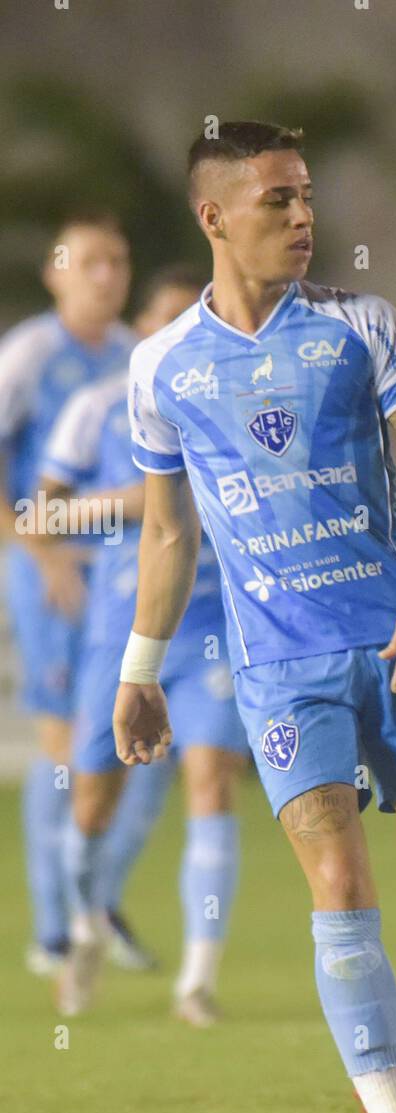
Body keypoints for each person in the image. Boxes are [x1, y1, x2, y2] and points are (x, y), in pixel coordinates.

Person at [113, 122, 396, 1113]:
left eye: (306, 196)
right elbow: (166, 533)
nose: (302, 216)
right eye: (278, 199)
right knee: (339, 884)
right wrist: (138, 668)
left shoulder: (359, 327)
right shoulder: (162, 369)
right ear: (214, 217)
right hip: (282, 671)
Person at [41, 265, 250, 1023]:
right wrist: (128, 506)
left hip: (212, 631)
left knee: (211, 781)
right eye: (161, 320)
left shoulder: (236, 400)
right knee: (93, 799)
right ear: (139, 329)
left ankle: (197, 978)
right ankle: (86, 925)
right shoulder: (97, 409)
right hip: (117, 636)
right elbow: (45, 516)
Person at [0, 213, 164, 975]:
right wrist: (39, 550)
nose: (107, 274)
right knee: (65, 743)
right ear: (56, 271)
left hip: (123, 570)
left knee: (140, 748)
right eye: (92, 261)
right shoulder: (30, 353)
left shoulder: (137, 356)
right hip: (48, 573)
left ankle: (91, 902)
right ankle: (55, 930)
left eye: (119, 260)